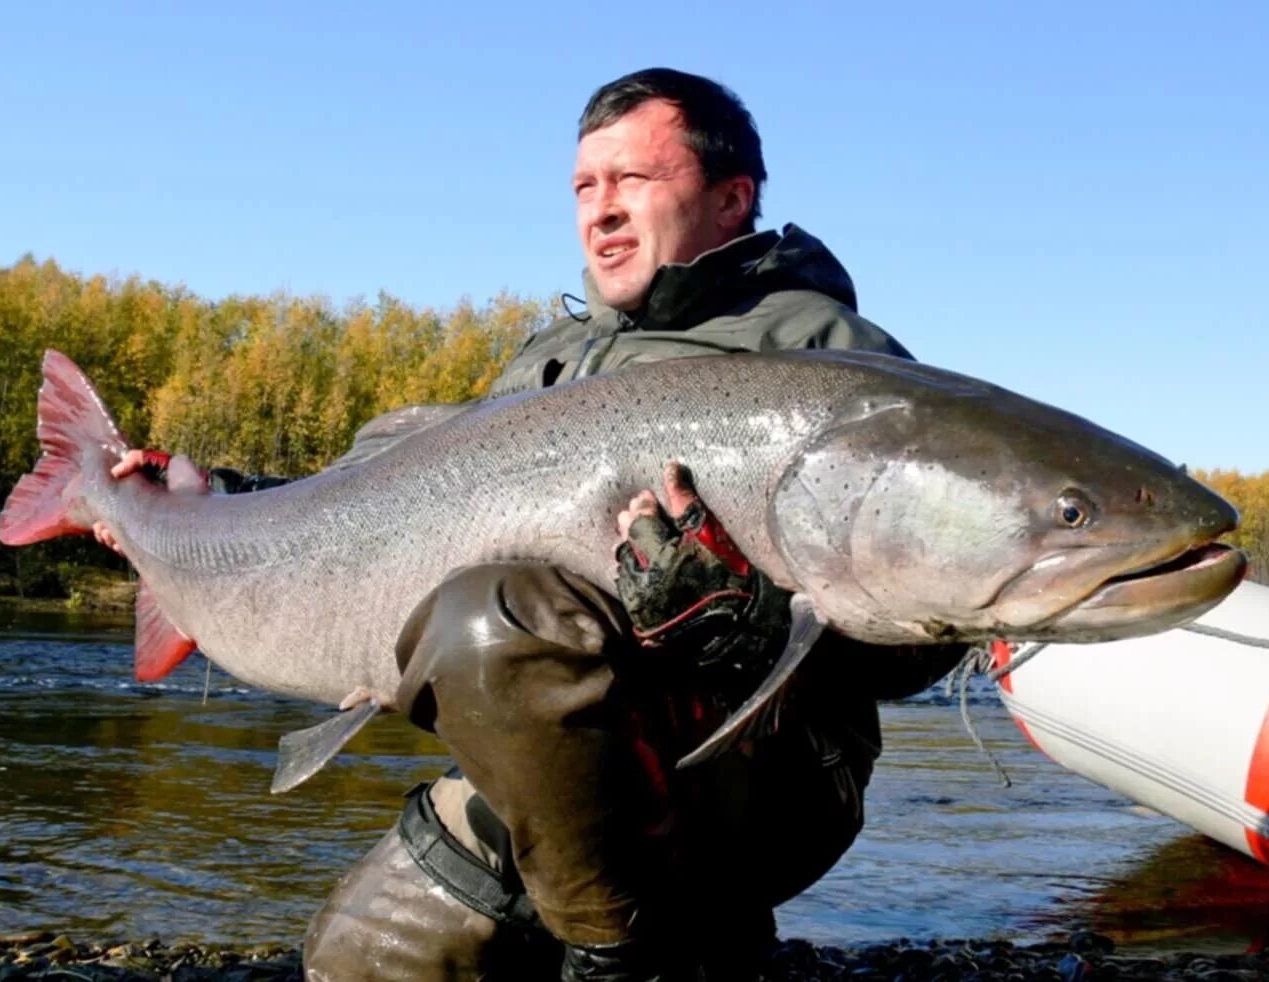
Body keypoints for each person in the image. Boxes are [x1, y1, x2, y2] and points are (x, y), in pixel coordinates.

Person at [97, 68, 968, 982]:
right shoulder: (550, 362)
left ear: (731, 197)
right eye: (586, 188)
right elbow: (381, 505)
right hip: (540, 779)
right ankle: (642, 930)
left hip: (758, 776)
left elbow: (929, 644)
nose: (603, 211)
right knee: (356, 963)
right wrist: (208, 500)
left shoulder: (829, 355)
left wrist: (749, 623)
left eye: (634, 180)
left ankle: (629, 955)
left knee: (490, 615)